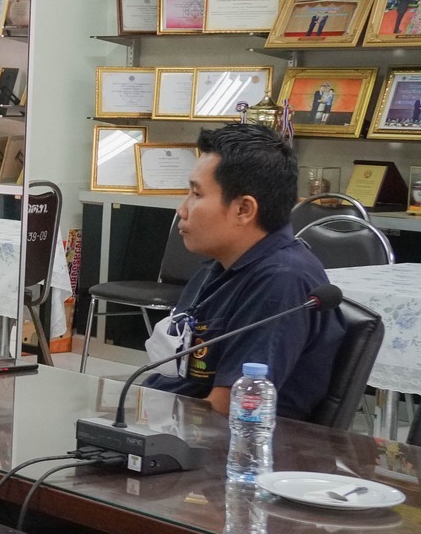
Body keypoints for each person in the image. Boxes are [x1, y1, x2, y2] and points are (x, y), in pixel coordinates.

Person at [143, 123, 342, 419]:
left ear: (244, 210)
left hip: (231, 450)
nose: (181, 209)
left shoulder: (281, 281)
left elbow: (228, 410)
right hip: (176, 422)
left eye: (196, 195)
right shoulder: (221, 265)